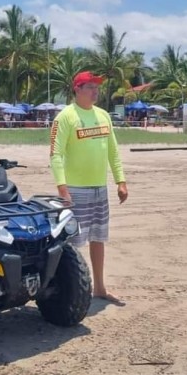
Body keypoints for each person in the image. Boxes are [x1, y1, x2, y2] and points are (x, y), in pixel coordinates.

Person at [49, 71, 128, 304]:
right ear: (77, 89)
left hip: (99, 189)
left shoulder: (103, 116)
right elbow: (55, 155)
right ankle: (67, 291)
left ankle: (100, 288)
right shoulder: (65, 117)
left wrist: (120, 181)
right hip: (76, 190)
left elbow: (113, 151)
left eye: (97, 87)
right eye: (90, 87)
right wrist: (63, 189)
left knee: (98, 237)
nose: (96, 91)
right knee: (72, 243)